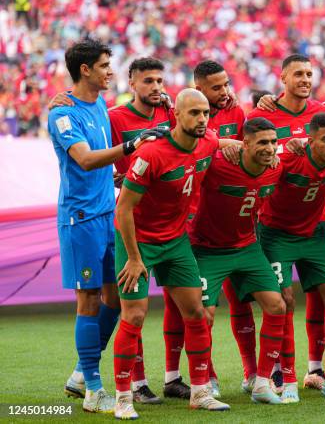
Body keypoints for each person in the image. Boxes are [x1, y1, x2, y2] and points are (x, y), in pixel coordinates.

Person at [48, 39, 164, 413]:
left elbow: (103, 158)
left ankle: (82, 372)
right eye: (104, 65)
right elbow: (83, 160)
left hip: (108, 213)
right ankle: (94, 390)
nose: (110, 71)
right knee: (89, 299)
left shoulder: (98, 103)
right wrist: (130, 148)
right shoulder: (63, 114)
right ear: (86, 70)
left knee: (117, 297)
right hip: (80, 219)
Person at [113, 89, 231, 419]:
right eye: (194, 113)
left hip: (176, 241)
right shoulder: (152, 154)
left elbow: (222, 144)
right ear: (176, 115)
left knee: (197, 313)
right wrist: (135, 259)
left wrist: (244, 147)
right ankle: (123, 397)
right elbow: (123, 209)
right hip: (137, 240)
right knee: (134, 316)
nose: (202, 119)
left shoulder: (207, 141)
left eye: (205, 113)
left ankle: (200, 392)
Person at [257, 112, 325, 400]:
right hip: (276, 234)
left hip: (313, 234)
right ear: (310, 140)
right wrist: (289, 143)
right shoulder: (286, 156)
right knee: (285, 300)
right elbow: (253, 150)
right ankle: (287, 380)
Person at [248, 54, 325, 391]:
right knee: (283, 298)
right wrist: (284, 148)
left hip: (317, 221)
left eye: (309, 74)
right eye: (298, 73)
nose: (305, 79)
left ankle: (317, 368)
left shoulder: (323, 113)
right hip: (275, 223)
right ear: (282, 77)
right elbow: (250, 152)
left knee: (324, 294)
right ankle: (281, 370)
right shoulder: (262, 114)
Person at [189, 117, 288, 405]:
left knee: (277, 306)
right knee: (203, 316)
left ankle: (261, 382)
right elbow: (189, 150)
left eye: (273, 142)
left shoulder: (276, 168)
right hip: (207, 249)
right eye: (262, 143)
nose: (270, 149)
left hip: (248, 248)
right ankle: (203, 383)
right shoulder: (217, 165)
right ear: (244, 144)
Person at [192, 60, 254, 395]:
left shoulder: (237, 113)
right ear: (198, 89)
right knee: (200, 308)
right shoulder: (183, 111)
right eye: (216, 87)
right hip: (197, 226)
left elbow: (250, 154)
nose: (225, 92)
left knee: (241, 302)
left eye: (226, 84)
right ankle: (206, 376)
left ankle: (251, 372)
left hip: (236, 222)